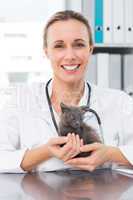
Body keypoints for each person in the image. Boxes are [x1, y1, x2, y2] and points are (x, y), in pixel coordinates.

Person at [0, 10, 133, 173]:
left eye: (79, 45)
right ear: (46, 51)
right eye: (59, 46)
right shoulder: (20, 100)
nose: (70, 56)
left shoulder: (119, 102)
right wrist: (46, 152)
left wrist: (110, 154)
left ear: (90, 49)